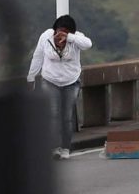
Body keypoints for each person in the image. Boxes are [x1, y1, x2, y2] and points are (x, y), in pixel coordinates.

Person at [27, 15, 92, 160]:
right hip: (50, 80)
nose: (60, 35)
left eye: (65, 32)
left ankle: (66, 148)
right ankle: (54, 147)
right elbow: (37, 57)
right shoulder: (46, 37)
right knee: (53, 114)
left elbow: (88, 44)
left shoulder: (76, 39)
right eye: (59, 31)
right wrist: (31, 77)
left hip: (71, 81)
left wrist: (69, 37)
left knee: (67, 116)